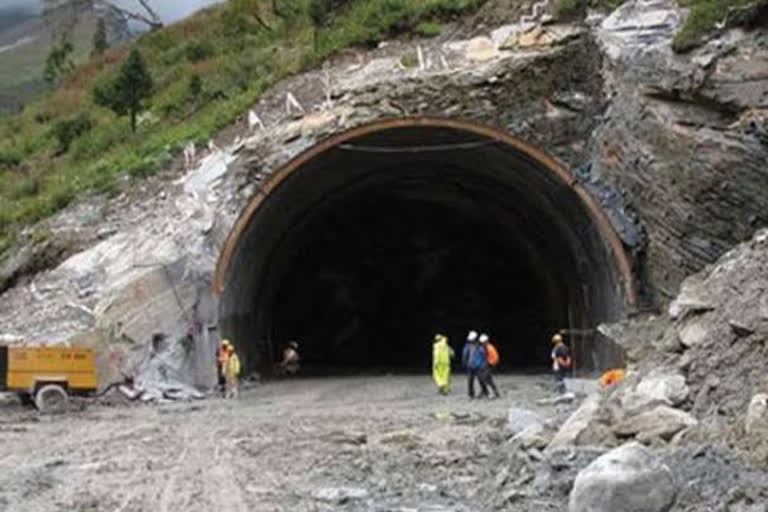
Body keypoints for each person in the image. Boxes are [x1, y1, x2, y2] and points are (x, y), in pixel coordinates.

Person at [462, 330, 488, 399]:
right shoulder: (479, 346)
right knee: (476, 380)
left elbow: (465, 355)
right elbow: (484, 355)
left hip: (475, 365)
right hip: (474, 365)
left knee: (474, 380)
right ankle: (475, 394)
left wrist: (464, 362)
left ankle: (475, 394)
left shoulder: (476, 346)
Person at [479, 333, 501, 399]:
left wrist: (490, 363)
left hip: (490, 365)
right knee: (489, 379)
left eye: (482, 342)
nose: (482, 343)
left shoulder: (490, 348)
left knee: (484, 378)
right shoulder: (485, 347)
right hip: (487, 365)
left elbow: (495, 358)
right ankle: (495, 393)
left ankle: (489, 393)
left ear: (486, 341)